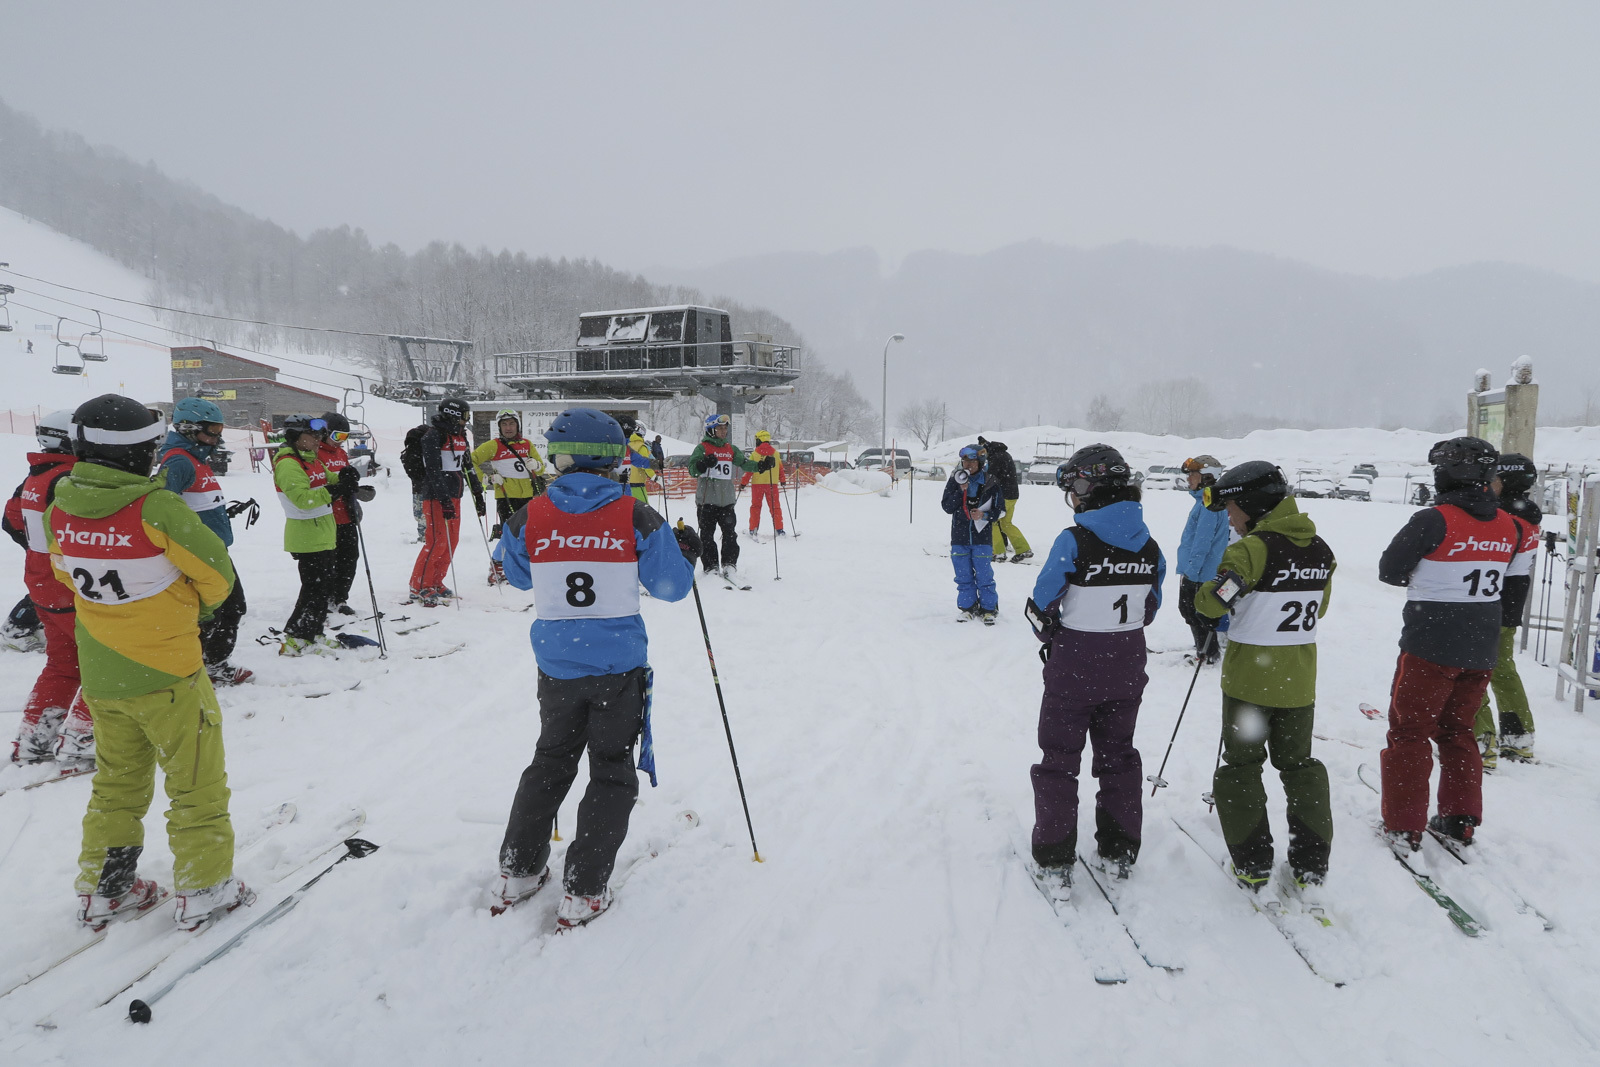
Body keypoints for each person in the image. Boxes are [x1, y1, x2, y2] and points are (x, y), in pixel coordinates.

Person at [44, 394, 252, 931]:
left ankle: (105, 887)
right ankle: (205, 888)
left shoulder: (58, 506)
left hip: (103, 672)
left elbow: (66, 573)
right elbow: (217, 576)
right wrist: (188, 608)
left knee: (117, 782)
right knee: (196, 781)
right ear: (141, 451)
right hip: (168, 670)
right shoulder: (154, 506)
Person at [492, 407, 699, 927]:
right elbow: (673, 588)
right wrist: (686, 553)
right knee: (610, 770)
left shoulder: (532, 513)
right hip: (617, 669)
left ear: (561, 458)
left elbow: (514, 576)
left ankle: (518, 870)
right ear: (614, 461)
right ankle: (584, 889)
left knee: (551, 761)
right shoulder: (635, 514)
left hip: (558, 666)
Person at [1022, 445, 1164, 893]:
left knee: (1059, 762)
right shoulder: (1150, 545)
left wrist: (1055, 638)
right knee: (1118, 757)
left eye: (1078, 488)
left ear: (1092, 489)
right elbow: (1151, 605)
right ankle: (1120, 849)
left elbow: (1043, 604)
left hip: (1074, 668)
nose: (1075, 498)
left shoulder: (1073, 540)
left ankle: (1055, 855)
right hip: (1127, 665)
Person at [1377, 437, 1526, 851]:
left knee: (1409, 733)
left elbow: (1390, 571)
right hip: (1480, 646)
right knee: (1458, 731)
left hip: (1430, 645)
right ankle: (1460, 818)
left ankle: (1403, 824)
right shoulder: (1508, 525)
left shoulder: (1432, 519)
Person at [1193, 462, 1335, 891]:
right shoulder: (1320, 549)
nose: (1230, 517)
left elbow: (1212, 604)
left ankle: (1252, 862)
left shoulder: (1250, 550)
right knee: (1300, 766)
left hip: (1249, 687)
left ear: (1252, 505)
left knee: (1241, 768)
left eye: (1233, 507)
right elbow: (1320, 608)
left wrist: (1209, 593)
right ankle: (1312, 862)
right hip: (1299, 683)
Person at [3, 409, 97, 765]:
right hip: (70, 586)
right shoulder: (70, 479)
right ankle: (82, 738)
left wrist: (37, 550)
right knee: (107, 661)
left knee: (63, 664)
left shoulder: (36, 475)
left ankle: (34, 739)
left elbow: (10, 520)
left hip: (42, 585)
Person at [157, 397, 252, 685]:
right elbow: (162, 508)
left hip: (213, 550)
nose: (216, 437)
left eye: (219, 429)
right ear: (188, 428)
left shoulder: (196, 459)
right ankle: (202, 665)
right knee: (220, 610)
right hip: (199, 556)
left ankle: (208, 662)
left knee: (228, 608)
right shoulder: (178, 461)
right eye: (211, 430)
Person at [1473, 453, 1543, 768]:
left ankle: (1479, 742)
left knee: (1471, 670)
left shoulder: (1504, 520)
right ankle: (1518, 738)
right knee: (1502, 670)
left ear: (1508, 481)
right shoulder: (1527, 516)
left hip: (1487, 603)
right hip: (1511, 604)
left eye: (1495, 479)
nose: (1490, 484)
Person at [274, 415, 348, 654]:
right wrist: (335, 491)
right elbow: (303, 499)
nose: (318, 440)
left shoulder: (311, 459)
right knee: (313, 590)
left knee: (323, 589)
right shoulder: (288, 464)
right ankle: (297, 638)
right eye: (313, 435)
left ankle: (314, 633)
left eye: (319, 435)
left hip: (323, 533)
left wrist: (346, 478)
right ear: (296, 437)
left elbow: (329, 478)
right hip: (306, 536)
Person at [409, 397, 484, 606]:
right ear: (453, 414)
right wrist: (444, 500)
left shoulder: (460, 435)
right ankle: (420, 585)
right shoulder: (433, 436)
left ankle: (435, 581)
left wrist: (478, 493)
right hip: (436, 497)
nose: (466, 420)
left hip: (455, 494)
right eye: (464, 416)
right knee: (437, 542)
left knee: (452, 541)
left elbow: (467, 465)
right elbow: (433, 471)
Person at [689, 414, 770, 582]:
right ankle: (711, 566)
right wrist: (702, 464)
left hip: (726, 501)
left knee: (730, 534)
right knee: (707, 535)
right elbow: (692, 469)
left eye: (725, 428)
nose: (724, 431)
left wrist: (760, 466)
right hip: (707, 501)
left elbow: (744, 463)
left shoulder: (730, 449)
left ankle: (729, 564)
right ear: (711, 430)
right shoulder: (702, 448)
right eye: (720, 428)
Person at [473, 409, 545, 585]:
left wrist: (536, 464)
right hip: (506, 497)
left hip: (529, 496)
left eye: (511, 423)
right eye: (504, 424)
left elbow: (541, 467)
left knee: (527, 533)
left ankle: (520, 567)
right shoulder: (494, 445)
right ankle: (497, 566)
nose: (508, 428)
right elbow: (471, 460)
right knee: (509, 534)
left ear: (517, 425)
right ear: (499, 427)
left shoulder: (527, 444)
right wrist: (487, 478)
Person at [1176, 455, 1231, 666]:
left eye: (1193, 474)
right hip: (1198, 570)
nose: (1189, 478)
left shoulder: (1209, 506)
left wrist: (1191, 572)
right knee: (1191, 612)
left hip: (1200, 573)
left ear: (1208, 477)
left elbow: (1202, 544)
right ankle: (1206, 651)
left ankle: (1208, 654)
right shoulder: (1205, 502)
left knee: (1195, 613)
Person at [941, 445, 1004, 623]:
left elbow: (1001, 511)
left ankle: (988, 609)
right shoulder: (956, 480)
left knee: (984, 575)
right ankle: (967, 607)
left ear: (981, 463)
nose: (968, 465)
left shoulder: (991, 481)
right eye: (965, 461)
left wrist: (984, 515)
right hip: (959, 537)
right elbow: (946, 507)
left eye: (972, 461)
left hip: (981, 538)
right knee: (963, 575)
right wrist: (960, 491)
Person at [314, 411, 364, 615]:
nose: (340, 442)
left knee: (349, 559)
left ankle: (340, 599)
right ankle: (324, 599)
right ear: (324, 433)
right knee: (328, 562)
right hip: (326, 517)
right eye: (337, 437)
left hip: (346, 515)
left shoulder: (341, 454)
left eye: (344, 438)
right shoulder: (316, 452)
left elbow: (346, 479)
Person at [979, 437, 1031, 563]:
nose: (982, 456)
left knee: (993, 522)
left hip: (1003, 495)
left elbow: (991, 477)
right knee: (1006, 523)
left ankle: (998, 553)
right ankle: (1023, 549)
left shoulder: (996, 457)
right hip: (1012, 494)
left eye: (982, 453)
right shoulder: (1004, 454)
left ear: (986, 448)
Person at [742, 430, 785, 536]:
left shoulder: (755, 454)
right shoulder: (776, 453)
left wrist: (743, 483)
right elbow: (780, 469)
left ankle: (753, 529)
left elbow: (749, 470)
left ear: (759, 440)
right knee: (775, 507)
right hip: (772, 484)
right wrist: (783, 481)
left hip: (757, 485)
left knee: (755, 507)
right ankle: (779, 530)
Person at [617, 416, 659, 506]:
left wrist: (657, 464)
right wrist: (654, 476)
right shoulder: (640, 446)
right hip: (636, 484)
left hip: (627, 485)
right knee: (642, 509)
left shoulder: (628, 446)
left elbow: (639, 460)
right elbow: (643, 462)